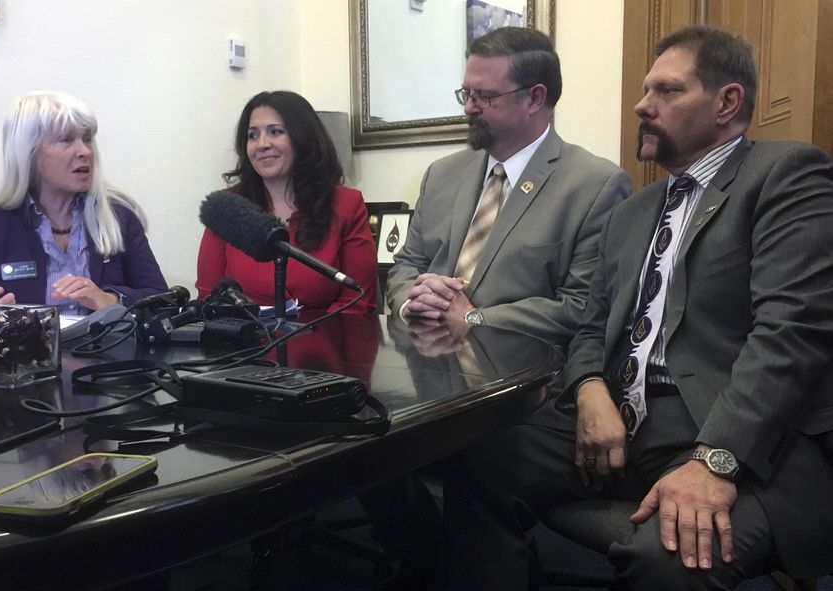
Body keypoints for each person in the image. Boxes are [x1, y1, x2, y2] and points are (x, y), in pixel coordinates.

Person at [440, 26, 833, 590]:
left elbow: (790, 334)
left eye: (667, 91)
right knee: (477, 458)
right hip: (622, 422)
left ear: (727, 102)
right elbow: (589, 328)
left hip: (726, 427)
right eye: (645, 90)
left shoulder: (784, 175)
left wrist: (716, 459)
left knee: (669, 560)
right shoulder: (635, 212)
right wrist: (591, 389)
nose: (642, 105)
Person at [385, 27, 631, 346]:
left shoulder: (594, 185)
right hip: (429, 369)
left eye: (484, 96)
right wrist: (412, 301)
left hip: (526, 379)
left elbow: (582, 306)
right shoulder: (441, 174)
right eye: (466, 93)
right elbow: (407, 264)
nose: (468, 108)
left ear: (534, 98)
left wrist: (475, 318)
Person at [0, 91, 167, 312]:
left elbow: (163, 300)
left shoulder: (117, 216)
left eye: (87, 139)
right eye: (66, 140)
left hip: (103, 347)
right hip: (26, 348)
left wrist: (111, 299)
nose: (85, 151)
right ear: (29, 153)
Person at [196, 91, 378, 315]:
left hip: (326, 343)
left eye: (275, 132)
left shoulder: (346, 204)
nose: (262, 144)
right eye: (252, 135)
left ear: (303, 138)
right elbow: (209, 298)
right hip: (247, 345)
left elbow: (357, 303)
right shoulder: (226, 207)